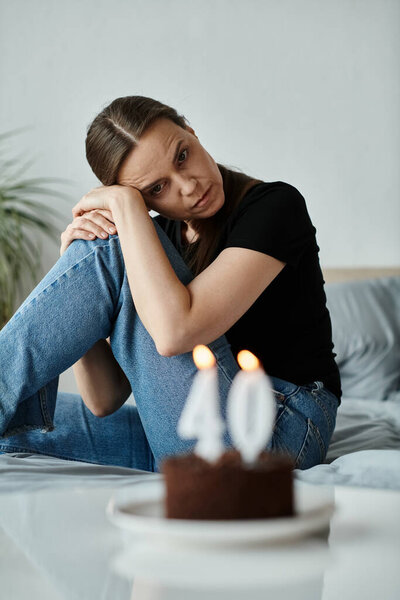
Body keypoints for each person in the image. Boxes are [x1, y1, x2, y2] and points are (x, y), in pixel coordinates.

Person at [0, 95, 341, 473]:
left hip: (274, 429)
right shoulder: (157, 239)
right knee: (13, 427)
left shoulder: (275, 206)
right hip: (180, 426)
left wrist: (124, 204)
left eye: (182, 155)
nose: (189, 185)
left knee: (112, 246)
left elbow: (176, 332)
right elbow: (104, 399)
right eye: (157, 189)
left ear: (192, 133)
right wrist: (76, 273)